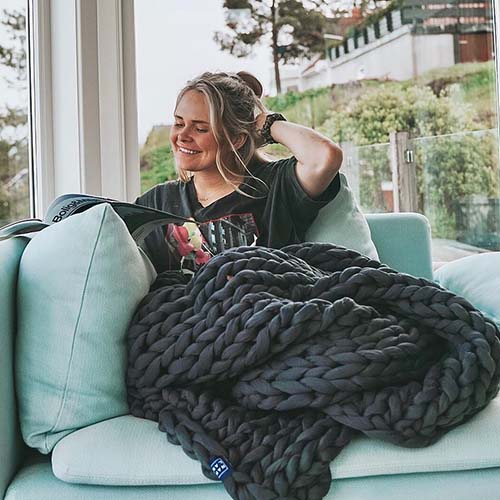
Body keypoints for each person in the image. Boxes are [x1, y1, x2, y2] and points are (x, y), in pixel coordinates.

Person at [135, 71, 343, 274]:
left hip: (262, 303)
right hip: (189, 307)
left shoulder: (276, 185)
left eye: (200, 129)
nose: (182, 136)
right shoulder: (158, 202)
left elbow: (325, 157)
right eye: (179, 123)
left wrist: (268, 124)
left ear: (235, 139)